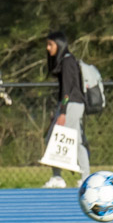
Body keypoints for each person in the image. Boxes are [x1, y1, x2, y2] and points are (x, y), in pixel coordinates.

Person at [43, 31, 91, 187]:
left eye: (51, 44)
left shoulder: (68, 61)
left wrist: (62, 112)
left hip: (71, 105)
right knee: (73, 141)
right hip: (70, 104)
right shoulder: (64, 61)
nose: (48, 48)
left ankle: (62, 177)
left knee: (56, 138)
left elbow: (67, 90)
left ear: (60, 44)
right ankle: (82, 177)